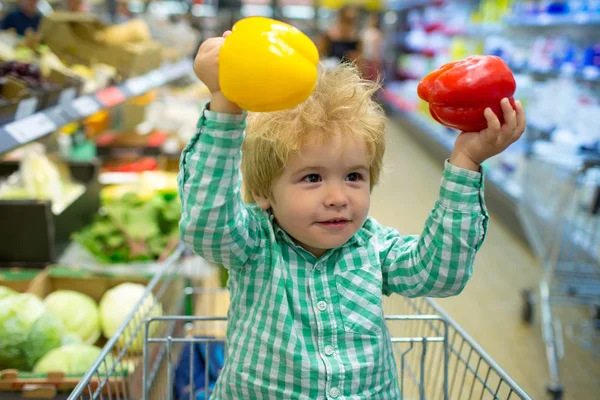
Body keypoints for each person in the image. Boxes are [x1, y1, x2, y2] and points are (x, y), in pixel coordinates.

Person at [179, 31, 526, 399]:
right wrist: (225, 105)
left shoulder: (375, 248)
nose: (338, 197)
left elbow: (440, 273)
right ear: (265, 193)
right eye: (312, 177)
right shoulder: (253, 245)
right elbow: (206, 224)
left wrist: (466, 161)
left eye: (354, 176)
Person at [361, 12, 384, 81]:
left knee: (373, 77)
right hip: (365, 58)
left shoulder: (377, 33)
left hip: (373, 59)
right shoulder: (365, 32)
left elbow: (378, 48)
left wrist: (377, 59)